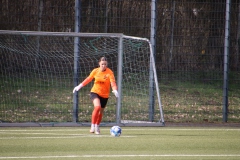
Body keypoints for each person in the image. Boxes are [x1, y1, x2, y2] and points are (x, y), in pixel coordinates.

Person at [73, 57, 118, 134]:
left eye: (105, 64)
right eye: (102, 64)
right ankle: (92, 126)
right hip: (95, 92)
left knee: (101, 112)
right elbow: (88, 79)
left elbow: (112, 82)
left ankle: (97, 126)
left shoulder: (109, 72)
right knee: (97, 107)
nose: (103, 65)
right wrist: (79, 86)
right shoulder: (95, 71)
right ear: (99, 64)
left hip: (105, 95)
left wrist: (115, 90)